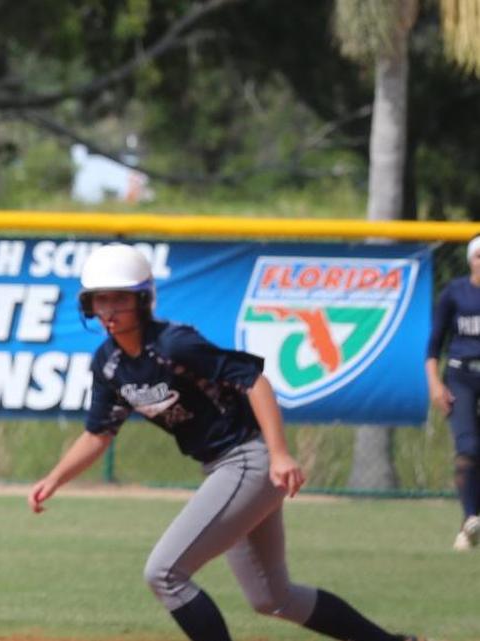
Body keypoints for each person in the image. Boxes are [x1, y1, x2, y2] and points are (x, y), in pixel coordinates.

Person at [28, 243, 421, 641]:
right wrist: (55, 479)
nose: (109, 309)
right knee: (272, 597)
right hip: (225, 468)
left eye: (120, 298)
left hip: (248, 461)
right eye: (100, 299)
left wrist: (280, 454)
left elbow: (254, 379)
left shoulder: (173, 345)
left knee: (164, 573)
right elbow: (99, 433)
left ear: (143, 299)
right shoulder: (109, 364)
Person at [425, 234, 480, 551]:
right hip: (461, 376)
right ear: (470, 259)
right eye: (478, 256)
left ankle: (468, 527)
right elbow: (434, 345)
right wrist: (435, 382)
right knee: (468, 448)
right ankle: (471, 517)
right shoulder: (455, 293)